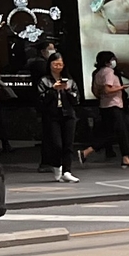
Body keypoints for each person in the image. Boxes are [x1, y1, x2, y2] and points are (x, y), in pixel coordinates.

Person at [34, 49, 83, 183]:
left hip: (68, 114)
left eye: (60, 64)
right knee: (56, 144)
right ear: (50, 64)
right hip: (52, 115)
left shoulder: (70, 81)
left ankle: (67, 171)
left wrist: (67, 90)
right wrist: (52, 90)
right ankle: (56, 166)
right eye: (55, 64)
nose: (58, 67)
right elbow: (40, 100)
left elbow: (77, 100)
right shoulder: (44, 81)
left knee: (68, 144)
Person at [89, 50, 129, 168]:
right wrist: (121, 87)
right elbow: (107, 89)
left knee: (113, 131)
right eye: (112, 59)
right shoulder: (109, 72)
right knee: (119, 132)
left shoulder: (97, 72)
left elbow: (96, 91)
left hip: (104, 105)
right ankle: (89, 150)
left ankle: (126, 156)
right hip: (114, 105)